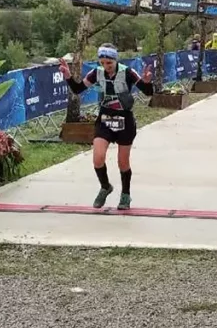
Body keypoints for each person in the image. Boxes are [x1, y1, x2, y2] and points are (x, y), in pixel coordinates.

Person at [59, 44, 154, 210]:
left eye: (109, 63)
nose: (106, 66)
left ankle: (125, 194)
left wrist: (147, 82)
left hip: (124, 120)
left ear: (116, 60)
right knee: (98, 157)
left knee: (123, 162)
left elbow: (148, 92)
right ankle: (105, 186)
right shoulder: (96, 73)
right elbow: (78, 89)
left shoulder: (128, 72)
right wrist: (68, 76)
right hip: (105, 119)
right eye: (102, 63)